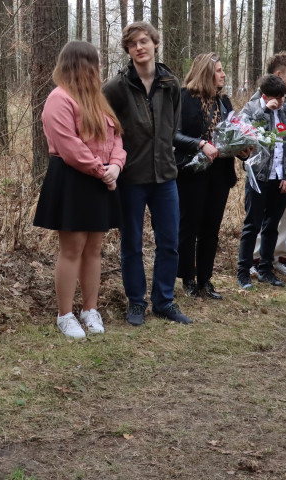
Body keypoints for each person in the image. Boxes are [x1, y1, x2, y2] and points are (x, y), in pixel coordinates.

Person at [103, 21, 192, 325]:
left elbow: (171, 128)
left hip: (166, 176)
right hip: (130, 178)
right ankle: (136, 302)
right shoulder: (115, 87)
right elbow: (107, 131)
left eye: (144, 41)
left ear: (155, 43)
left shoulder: (171, 84)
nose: (139, 48)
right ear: (127, 50)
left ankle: (164, 301)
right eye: (132, 44)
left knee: (169, 241)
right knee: (132, 243)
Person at [34, 42, 125, 338]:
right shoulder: (58, 99)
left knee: (94, 249)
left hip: (100, 179)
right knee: (72, 249)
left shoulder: (98, 100)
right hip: (72, 179)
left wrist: (116, 166)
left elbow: (117, 138)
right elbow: (69, 146)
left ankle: (89, 309)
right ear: (81, 65)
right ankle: (65, 315)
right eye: (94, 64)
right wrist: (103, 172)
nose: (98, 70)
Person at [174, 53, 239, 299]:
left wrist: (242, 149)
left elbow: (232, 135)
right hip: (192, 172)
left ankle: (205, 280)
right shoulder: (183, 98)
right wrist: (200, 144)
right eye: (219, 70)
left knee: (211, 228)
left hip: (220, 173)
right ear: (205, 72)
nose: (223, 74)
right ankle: (188, 279)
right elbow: (174, 135)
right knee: (189, 226)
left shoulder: (224, 103)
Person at [236, 74, 286, 288]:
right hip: (258, 179)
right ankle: (243, 271)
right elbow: (242, 135)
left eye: (283, 98)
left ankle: (266, 269)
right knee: (252, 225)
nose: (281, 102)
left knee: (271, 226)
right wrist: (265, 110)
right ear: (265, 95)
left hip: (281, 180)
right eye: (277, 98)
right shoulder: (251, 110)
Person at [251, 52, 286, 277]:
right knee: (261, 216)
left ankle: (278, 255)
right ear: (278, 75)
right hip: (265, 173)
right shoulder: (257, 100)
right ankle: (256, 257)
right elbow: (250, 130)